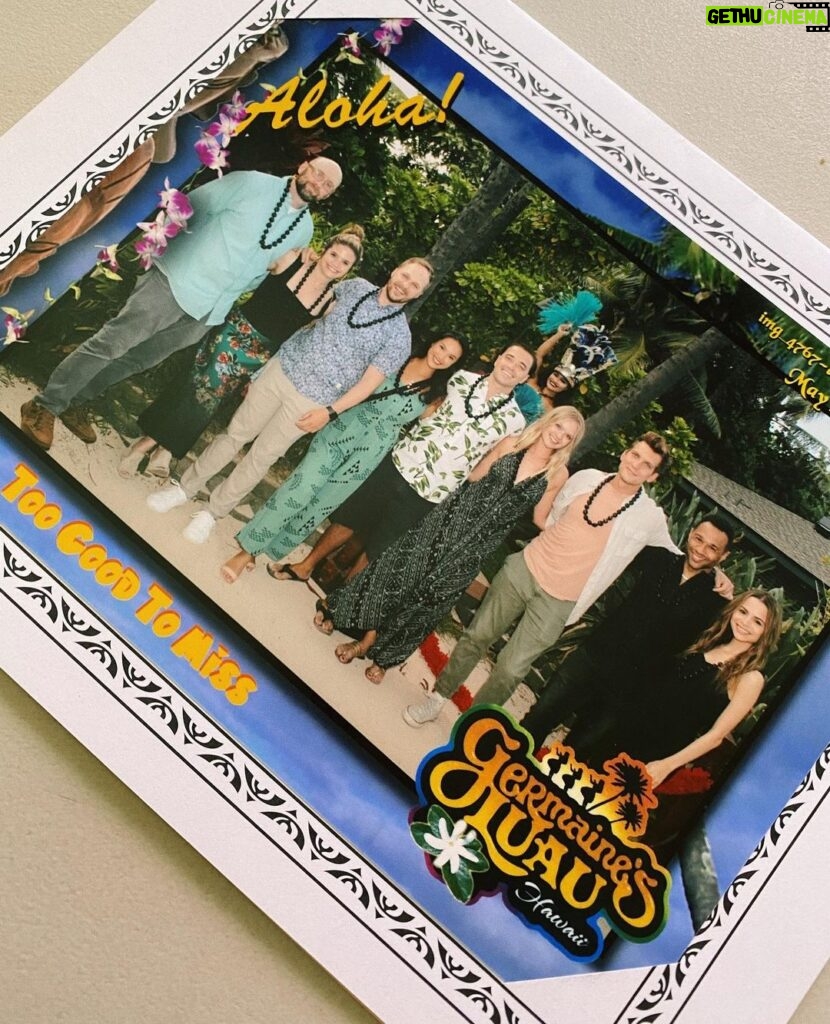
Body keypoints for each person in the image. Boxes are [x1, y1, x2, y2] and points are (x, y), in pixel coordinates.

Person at [19, 157, 343, 451]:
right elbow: (192, 205)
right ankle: (45, 405)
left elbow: (276, 269)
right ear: (303, 166)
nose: (320, 184)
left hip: (209, 311)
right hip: (173, 281)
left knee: (137, 361)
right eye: (319, 173)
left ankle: (77, 399)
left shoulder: (304, 231)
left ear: (329, 195)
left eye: (329, 185)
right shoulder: (251, 182)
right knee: (111, 344)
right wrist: (164, 252)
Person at [147, 257, 433, 543]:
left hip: (313, 402)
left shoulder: (399, 338)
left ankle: (212, 512)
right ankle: (185, 488)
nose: (405, 285)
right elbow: (313, 302)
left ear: (419, 294)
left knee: (261, 457)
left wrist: (330, 413)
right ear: (395, 270)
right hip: (282, 369)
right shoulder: (354, 287)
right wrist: (310, 259)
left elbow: (368, 384)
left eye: (414, 285)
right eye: (405, 275)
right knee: (234, 434)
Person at [403, 432, 678, 727]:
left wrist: (720, 580)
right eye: (635, 455)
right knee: (477, 636)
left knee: (511, 669)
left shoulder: (649, 518)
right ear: (625, 453)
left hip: (561, 601)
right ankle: (438, 698)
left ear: (652, 477)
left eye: (646, 465)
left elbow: (679, 554)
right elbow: (555, 512)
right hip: (526, 569)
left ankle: (470, 728)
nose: (636, 465)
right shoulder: (586, 478)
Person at [323, 407, 586, 684]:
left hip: (479, 545)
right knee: (401, 574)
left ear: (570, 444)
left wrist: (577, 530)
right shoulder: (511, 443)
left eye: (567, 436)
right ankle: (363, 639)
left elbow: (540, 518)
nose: (559, 436)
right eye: (558, 427)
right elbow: (473, 477)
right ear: (548, 422)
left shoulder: (557, 474)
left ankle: (385, 658)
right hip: (451, 521)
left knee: (433, 598)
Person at [274, 344, 536, 587]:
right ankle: (306, 566)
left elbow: (488, 463)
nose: (511, 366)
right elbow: (428, 407)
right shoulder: (459, 379)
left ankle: (338, 602)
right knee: (351, 517)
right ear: (498, 358)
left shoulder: (514, 423)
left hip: (432, 490)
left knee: (380, 544)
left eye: (521, 366)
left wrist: (463, 477)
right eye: (509, 358)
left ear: (525, 378)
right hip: (401, 460)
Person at [117, 224, 365, 478]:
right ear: (324, 251)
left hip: (257, 357)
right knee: (199, 388)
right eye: (334, 254)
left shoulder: (328, 304)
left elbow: (298, 337)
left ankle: (162, 448)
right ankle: (149, 447)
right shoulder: (291, 260)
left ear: (347, 271)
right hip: (233, 333)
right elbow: (255, 253)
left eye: (345, 262)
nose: (336, 263)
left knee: (211, 400)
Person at [218, 334, 467, 582]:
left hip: (370, 453)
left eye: (451, 357)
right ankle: (248, 550)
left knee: (321, 504)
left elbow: (431, 430)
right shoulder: (396, 359)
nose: (442, 356)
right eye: (442, 347)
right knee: (302, 487)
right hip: (343, 430)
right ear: (433, 342)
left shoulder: (436, 395)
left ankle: (272, 548)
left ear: (454, 364)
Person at [522, 514, 736, 753]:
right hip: (593, 658)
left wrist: (720, 577)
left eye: (712, 548)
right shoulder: (659, 556)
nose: (701, 550)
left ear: (723, 556)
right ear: (690, 533)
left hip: (630, 690)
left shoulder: (716, 602)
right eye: (699, 539)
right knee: (534, 723)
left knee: (575, 756)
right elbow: (618, 535)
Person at [605, 590, 782, 787]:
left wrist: (667, 765)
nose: (745, 622)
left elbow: (716, 736)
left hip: (657, 755)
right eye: (743, 612)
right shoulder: (708, 642)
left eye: (758, 622)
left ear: (766, 633)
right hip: (625, 729)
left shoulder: (750, 678)